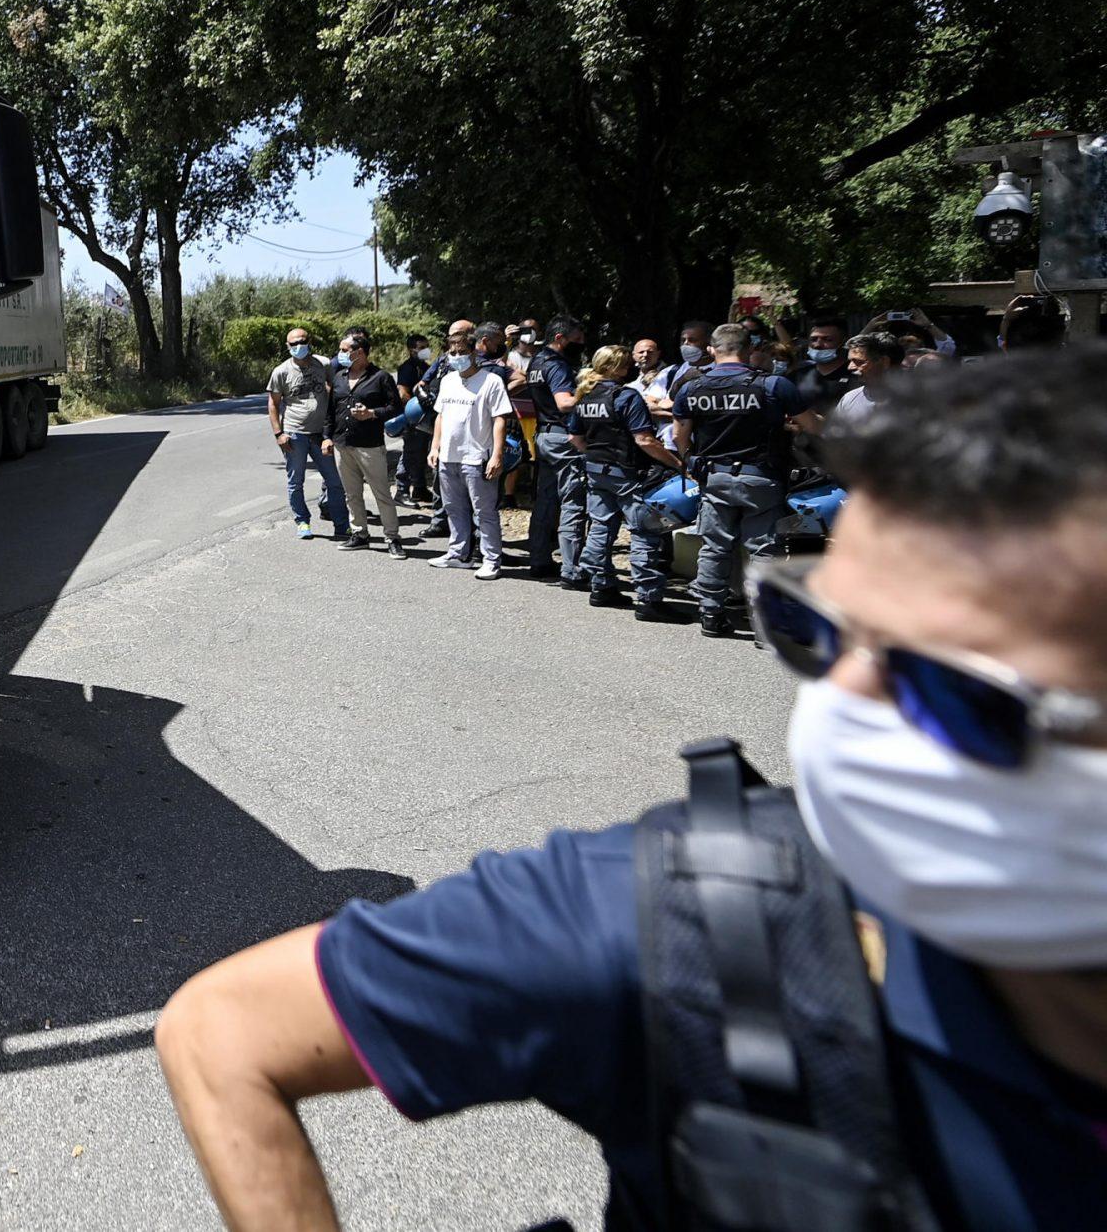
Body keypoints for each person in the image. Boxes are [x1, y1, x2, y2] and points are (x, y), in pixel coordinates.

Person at [157, 346, 1107, 1231]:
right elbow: (223, 1029)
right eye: (811, 632)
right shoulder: (681, 919)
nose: (842, 715)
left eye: (954, 693)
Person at [672, 324, 824, 639]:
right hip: (762, 479)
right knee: (764, 549)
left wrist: (691, 463)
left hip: (714, 476)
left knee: (714, 547)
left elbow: (678, 437)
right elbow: (812, 425)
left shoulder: (691, 387)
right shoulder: (774, 385)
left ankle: (711, 615)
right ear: (749, 348)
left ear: (712, 350)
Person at [566, 346, 687, 618]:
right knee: (644, 531)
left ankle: (601, 587)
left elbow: (575, 438)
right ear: (619, 367)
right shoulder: (625, 396)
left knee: (600, 527)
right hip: (628, 472)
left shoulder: (584, 396)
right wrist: (678, 464)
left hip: (597, 471)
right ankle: (649, 600)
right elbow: (644, 439)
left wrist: (596, 455)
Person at [428, 323, 512, 580]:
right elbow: (441, 416)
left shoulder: (491, 381)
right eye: (451, 353)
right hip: (448, 457)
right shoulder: (448, 380)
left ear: (474, 352)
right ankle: (457, 553)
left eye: (461, 352)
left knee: (484, 512)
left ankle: (491, 559)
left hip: (477, 458)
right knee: (454, 508)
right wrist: (434, 447)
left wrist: (497, 455)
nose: (456, 357)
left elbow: (500, 419)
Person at [265, 329, 348, 543]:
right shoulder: (281, 371)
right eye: (293, 343)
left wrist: (332, 426)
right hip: (294, 434)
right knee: (296, 481)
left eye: (301, 342)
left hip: (321, 434)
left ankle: (342, 525)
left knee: (334, 481)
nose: (298, 346)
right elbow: (273, 403)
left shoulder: (323, 364)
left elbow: (333, 389)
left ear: (309, 342)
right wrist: (278, 434)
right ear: (287, 346)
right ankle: (302, 521)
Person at [524, 317, 588, 588]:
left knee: (545, 500)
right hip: (564, 439)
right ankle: (572, 570)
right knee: (573, 501)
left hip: (545, 436)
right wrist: (591, 393)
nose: (581, 344)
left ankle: (539, 559)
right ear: (560, 338)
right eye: (577, 339)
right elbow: (564, 403)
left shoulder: (536, 362)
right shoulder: (557, 365)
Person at [329, 333, 404, 557]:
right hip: (342, 444)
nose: (340, 355)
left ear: (359, 352)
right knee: (351, 494)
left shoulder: (380, 377)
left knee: (381, 493)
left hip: (369, 445)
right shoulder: (339, 377)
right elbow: (330, 411)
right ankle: (360, 534)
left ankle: (392, 537)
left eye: (344, 350)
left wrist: (372, 413)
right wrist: (327, 436)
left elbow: (395, 407)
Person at [394, 333, 436, 506]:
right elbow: (403, 393)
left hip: (425, 418)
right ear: (411, 350)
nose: (426, 350)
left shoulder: (426, 367)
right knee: (410, 453)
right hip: (413, 418)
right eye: (421, 347)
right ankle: (401, 490)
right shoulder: (407, 368)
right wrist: (416, 407)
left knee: (421, 453)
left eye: (427, 346)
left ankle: (419, 488)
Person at [835, 330, 904, 430]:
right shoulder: (849, 399)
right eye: (850, 361)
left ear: (884, 361)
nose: (850, 367)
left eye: (859, 362)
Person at [794, 313, 859, 413]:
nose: (818, 345)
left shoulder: (857, 378)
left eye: (827, 339)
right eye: (814, 339)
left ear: (843, 342)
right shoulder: (798, 374)